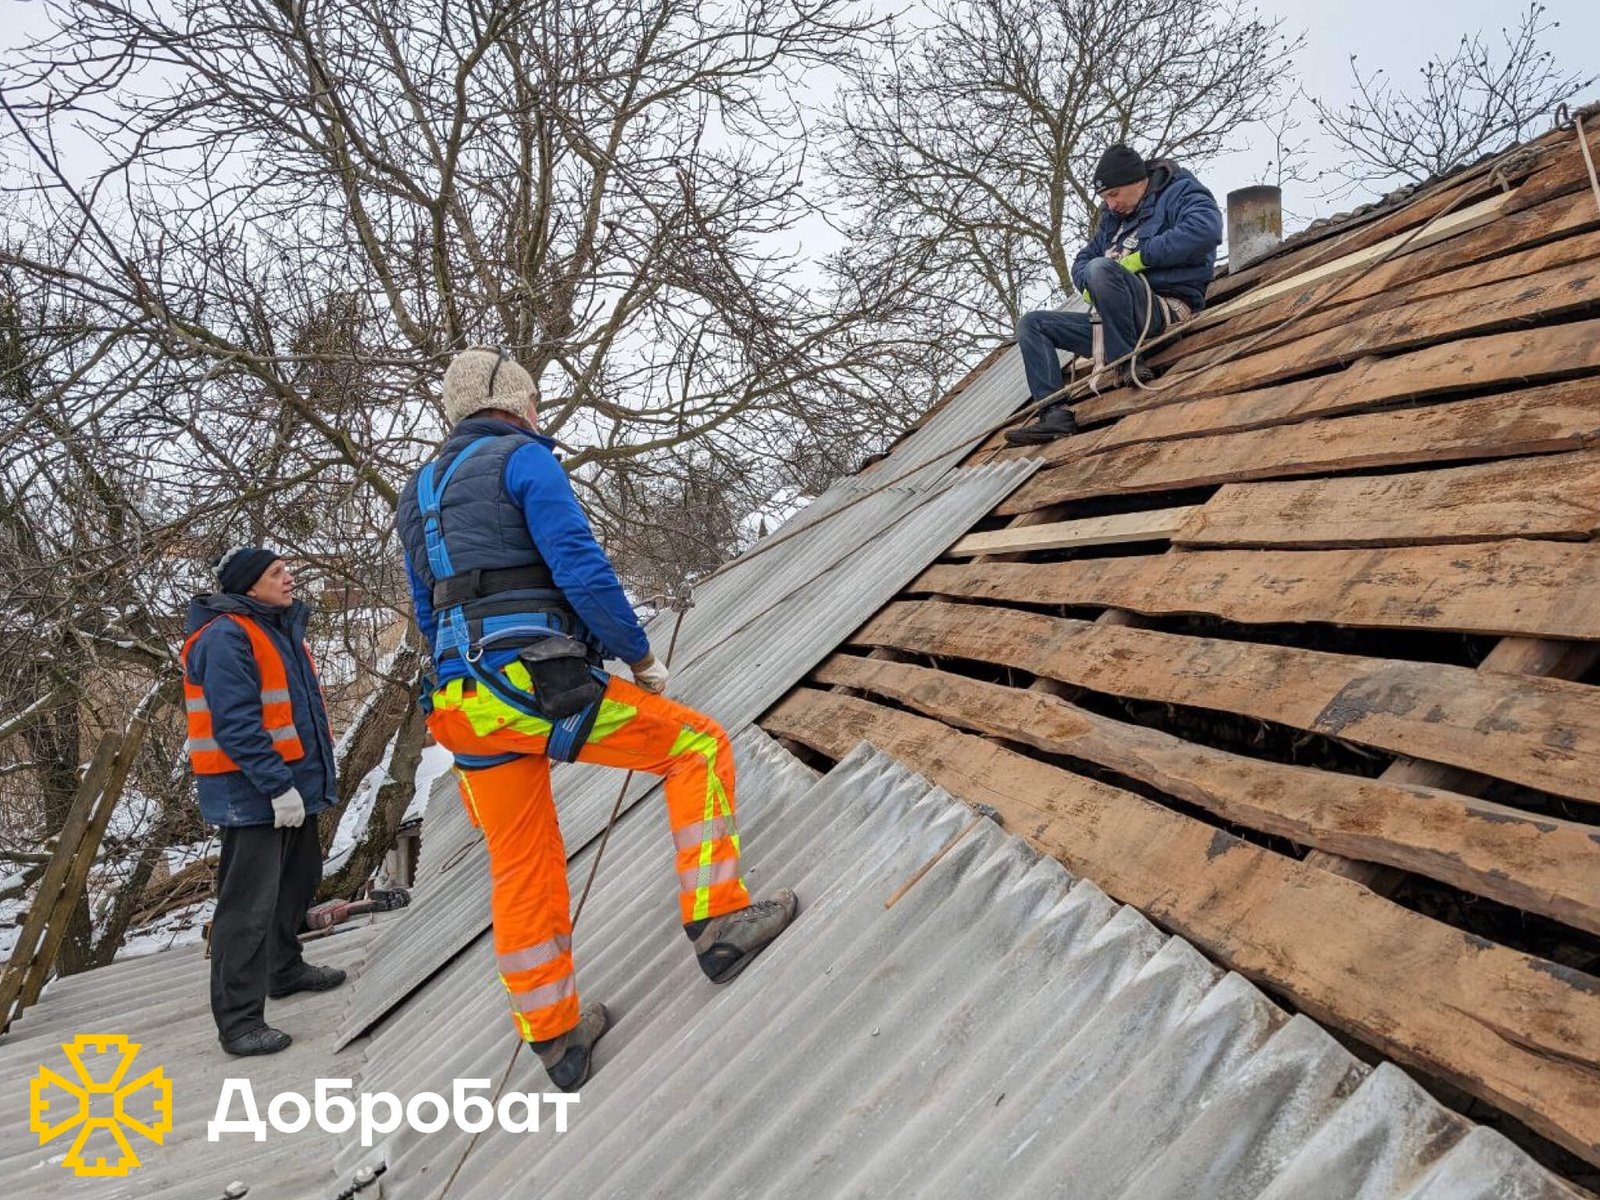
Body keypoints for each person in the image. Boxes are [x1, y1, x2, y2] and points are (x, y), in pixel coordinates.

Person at [396, 346, 798, 1092]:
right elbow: (580, 566)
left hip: (459, 706)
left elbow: (429, 611)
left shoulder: (417, 491)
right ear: (515, 403)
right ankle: (718, 920)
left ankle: (556, 1037)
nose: (539, 414)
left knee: (521, 861)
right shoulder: (523, 459)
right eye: (535, 402)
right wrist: (637, 656)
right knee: (698, 748)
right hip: (528, 687)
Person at [181, 547, 346, 1056]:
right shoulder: (227, 637)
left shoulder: (275, 628)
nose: (289, 577)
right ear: (250, 586)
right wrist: (276, 785)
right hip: (253, 791)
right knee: (246, 908)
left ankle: (284, 968)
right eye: (277, 573)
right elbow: (237, 724)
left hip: (290, 786)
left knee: (298, 881)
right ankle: (238, 1022)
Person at [1006, 144, 1223, 444]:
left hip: (1163, 310)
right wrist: (1091, 285)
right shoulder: (1114, 220)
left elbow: (1206, 229)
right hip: (1113, 323)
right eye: (1105, 198)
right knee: (1032, 324)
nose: (1110, 205)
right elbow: (1083, 261)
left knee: (1100, 269)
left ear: (1138, 181)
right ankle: (1054, 414)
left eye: (1114, 194)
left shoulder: (1179, 192)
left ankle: (1127, 362)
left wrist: (1141, 258)